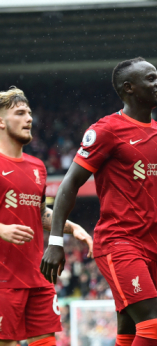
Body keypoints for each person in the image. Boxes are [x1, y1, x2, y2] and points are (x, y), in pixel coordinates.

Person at [39, 57, 157, 346]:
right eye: (151, 79)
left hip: (152, 248)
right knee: (152, 323)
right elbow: (69, 184)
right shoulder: (106, 130)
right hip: (118, 243)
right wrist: (55, 242)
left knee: (129, 332)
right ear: (129, 88)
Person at [0, 87, 92, 346]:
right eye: (19, 113)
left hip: (37, 276)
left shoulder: (37, 167)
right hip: (3, 281)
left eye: (29, 113)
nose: (29, 118)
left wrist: (72, 228)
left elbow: (39, 213)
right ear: (1, 122)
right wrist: (1, 229)